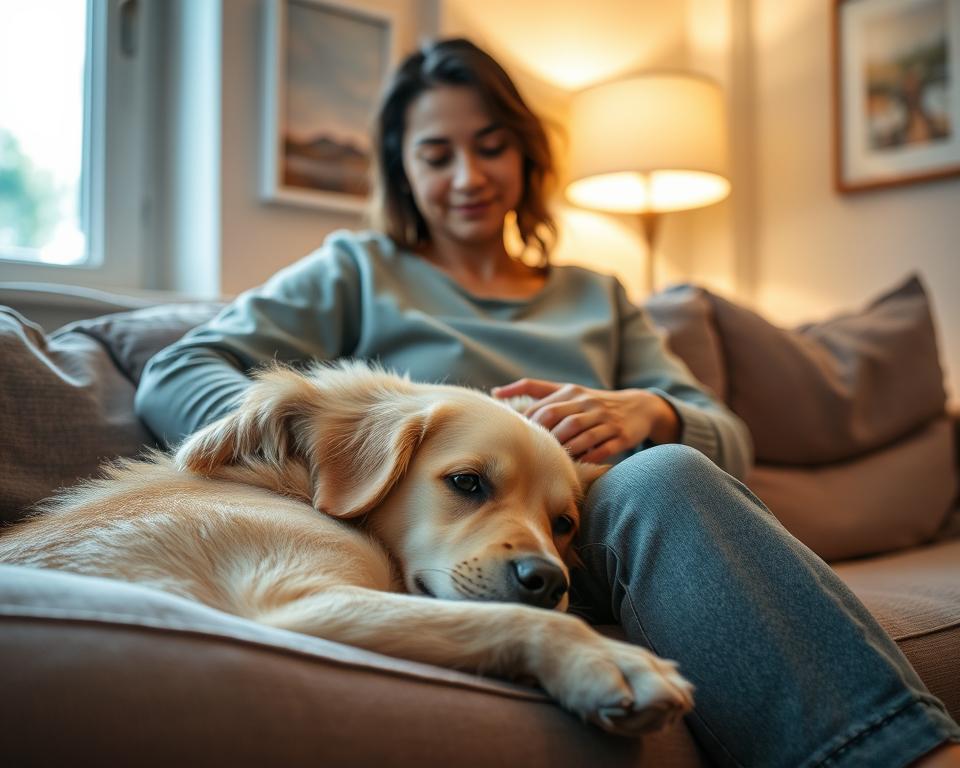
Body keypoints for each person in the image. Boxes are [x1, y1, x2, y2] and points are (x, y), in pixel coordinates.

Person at [135, 38, 960, 767]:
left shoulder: (595, 296)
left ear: (526, 158)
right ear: (403, 170)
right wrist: (327, 443)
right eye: (436, 154)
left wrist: (650, 413)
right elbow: (179, 371)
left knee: (663, 472)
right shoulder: (358, 269)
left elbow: (731, 444)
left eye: (491, 147)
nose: (467, 176)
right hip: (454, 531)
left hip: (606, 526)